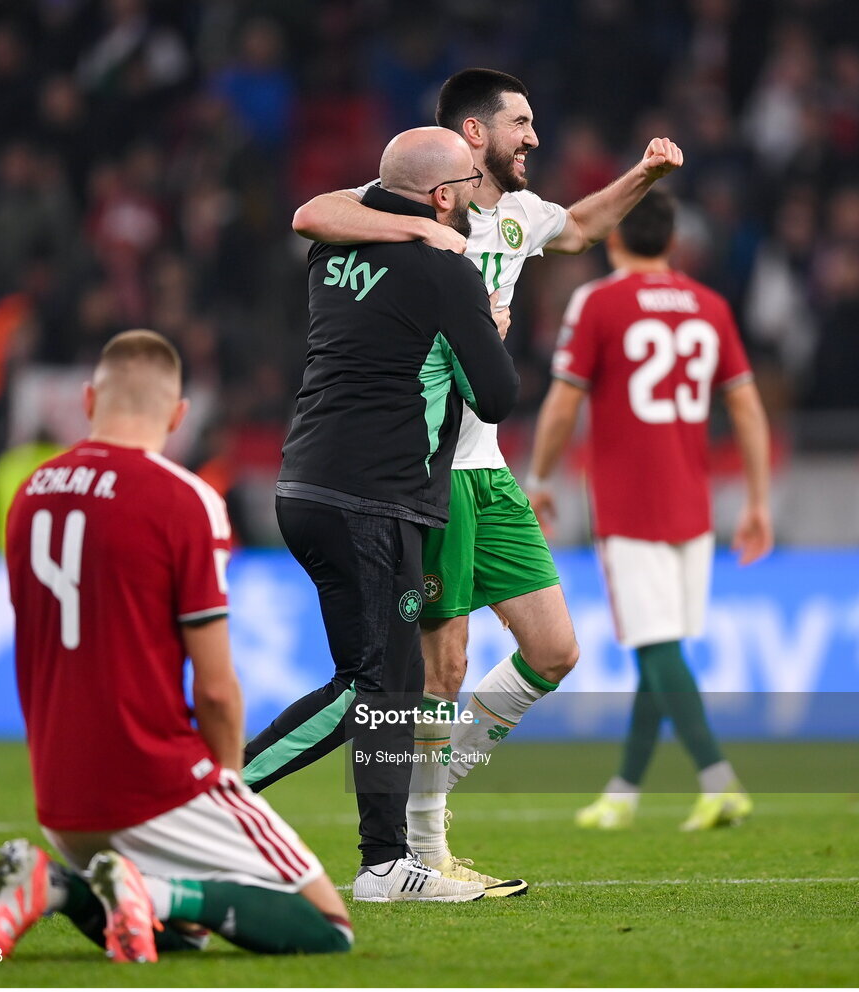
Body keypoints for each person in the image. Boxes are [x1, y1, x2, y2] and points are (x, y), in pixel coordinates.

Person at [289, 68, 684, 892]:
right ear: (475, 135)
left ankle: (426, 804)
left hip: (488, 464)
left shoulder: (518, 217)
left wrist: (642, 174)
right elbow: (315, 215)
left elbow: (576, 229)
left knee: (554, 648)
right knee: (442, 666)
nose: (534, 138)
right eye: (522, 123)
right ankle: (420, 849)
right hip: (424, 463)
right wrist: (429, 238)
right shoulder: (414, 199)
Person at [0, 330, 352, 962]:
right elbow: (217, 687)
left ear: (90, 401)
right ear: (178, 415)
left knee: (180, 942)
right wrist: (226, 785)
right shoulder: (185, 500)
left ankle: (54, 884)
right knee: (327, 928)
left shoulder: (29, 495)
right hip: (152, 779)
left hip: (60, 796)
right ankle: (151, 890)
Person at [243, 126, 519, 903]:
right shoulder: (443, 271)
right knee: (365, 687)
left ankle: (385, 863)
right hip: (373, 497)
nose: (475, 193)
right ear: (441, 197)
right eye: (467, 182)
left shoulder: (334, 248)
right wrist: (489, 332)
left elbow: (321, 210)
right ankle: (216, 795)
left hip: (311, 482)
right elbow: (496, 397)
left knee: (391, 684)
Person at [526, 188, 773, 830]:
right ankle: (624, 792)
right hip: (693, 504)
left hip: (628, 504)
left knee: (656, 643)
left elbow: (563, 401)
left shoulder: (598, 301)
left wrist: (540, 475)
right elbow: (745, 407)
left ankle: (718, 780)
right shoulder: (710, 306)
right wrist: (757, 500)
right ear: (673, 243)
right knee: (658, 648)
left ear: (612, 237)